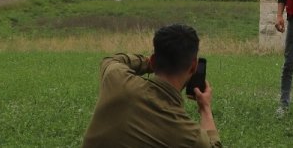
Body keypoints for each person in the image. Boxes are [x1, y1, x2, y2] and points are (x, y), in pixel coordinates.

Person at [82, 23, 221, 147]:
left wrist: (148, 63)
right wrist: (205, 108)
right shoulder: (189, 135)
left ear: (154, 61)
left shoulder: (116, 79)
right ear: (193, 66)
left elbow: (113, 60)